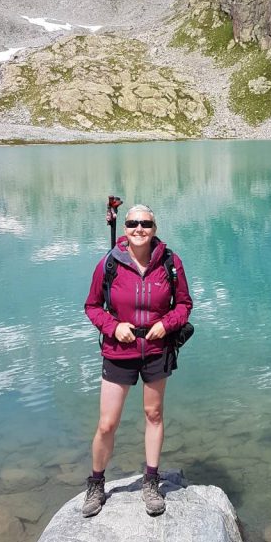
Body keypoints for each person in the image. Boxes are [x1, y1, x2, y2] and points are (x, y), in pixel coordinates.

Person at [82, 203, 192, 517]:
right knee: (107, 424)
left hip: (157, 350)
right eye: (132, 223)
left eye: (145, 223)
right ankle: (96, 483)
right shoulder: (109, 264)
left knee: (153, 414)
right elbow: (92, 307)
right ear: (125, 227)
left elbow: (184, 305)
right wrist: (113, 327)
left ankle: (151, 481)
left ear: (155, 228)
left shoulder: (170, 263)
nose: (138, 229)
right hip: (119, 351)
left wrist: (165, 324)